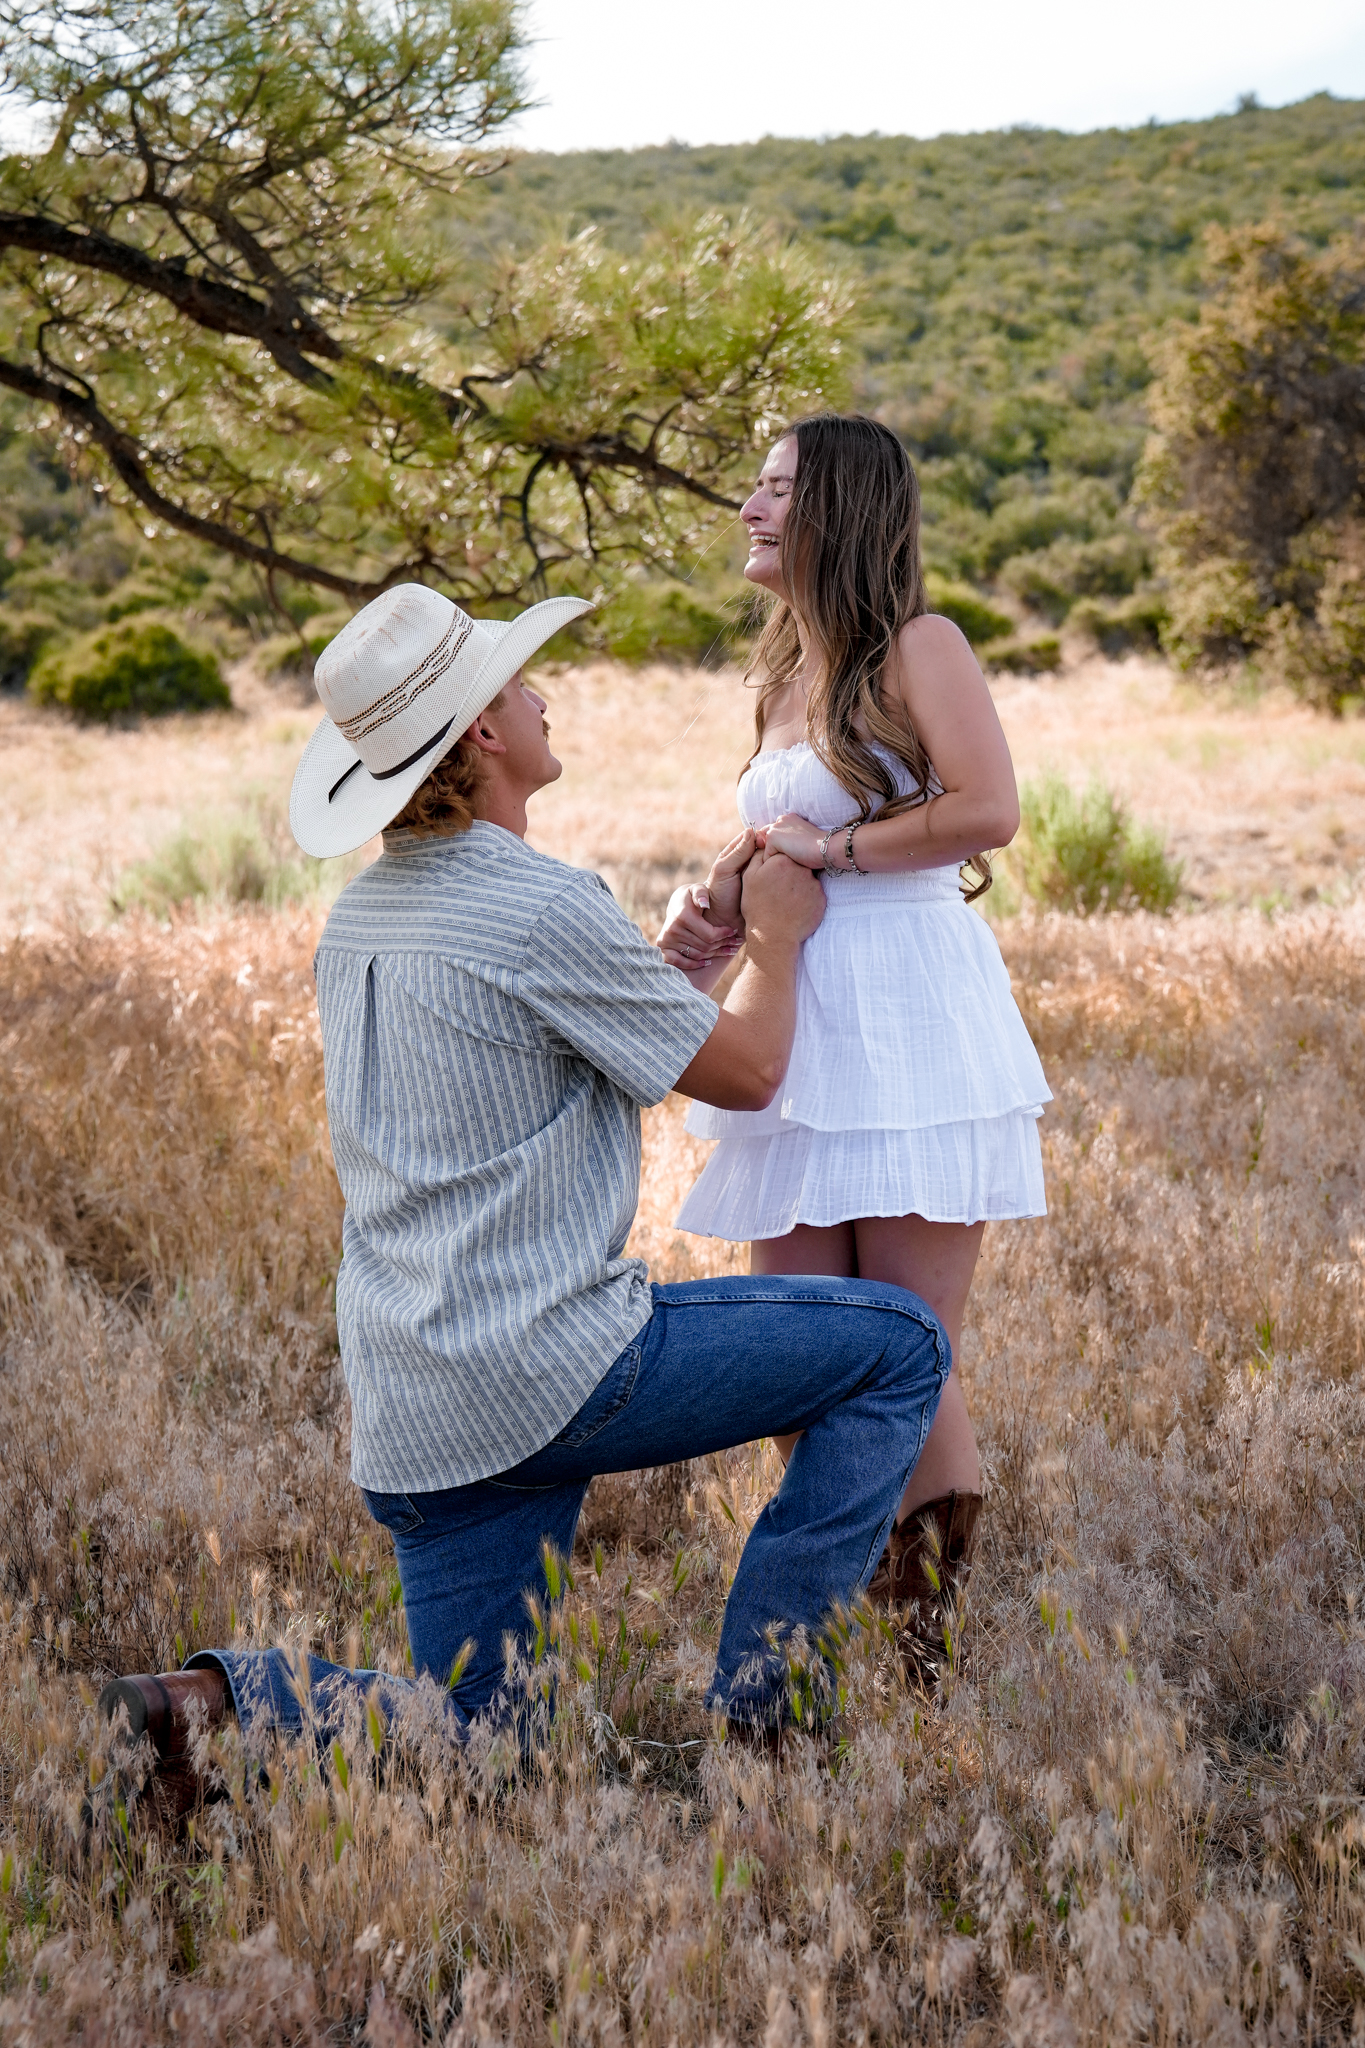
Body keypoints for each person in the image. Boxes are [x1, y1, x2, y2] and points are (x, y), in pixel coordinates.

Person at [100, 580, 952, 1792]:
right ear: (487, 736)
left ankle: (208, 1703)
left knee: (484, 1748)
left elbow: (569, 1049)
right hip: (557, 1366)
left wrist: (691, 951)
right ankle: (772, 1724)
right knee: (902, 1345)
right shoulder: (544, 903)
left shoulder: (362, 923)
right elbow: (753, 1070)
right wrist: (777, 939)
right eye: (518, 684)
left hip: (418, 1401)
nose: (541, 692)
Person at [657, 412, 1052, 1678]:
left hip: (908, 1009)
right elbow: (784, 834)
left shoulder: (918, 646)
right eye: (753, 485)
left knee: (904, 1346)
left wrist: (828, 853)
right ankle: (829, 1611)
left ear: (841, 510)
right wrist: (719, 899)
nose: (749, 507)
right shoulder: (781, 668)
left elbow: (987, 809)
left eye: (776, 489)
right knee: (804, 1347)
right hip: (798, 1014)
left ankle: (917, 1659)